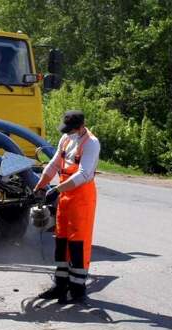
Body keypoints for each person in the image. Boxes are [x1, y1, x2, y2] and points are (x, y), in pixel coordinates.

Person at [34, 110, 100, 303]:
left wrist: (57, 189)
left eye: (71, 130)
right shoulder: (65, 139)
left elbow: (83, 174)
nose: (68, 132)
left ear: (80, 127)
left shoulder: (91, 143)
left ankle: (78, 290)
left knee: (78, 243)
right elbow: (54, 164)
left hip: (82, 198)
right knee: (61, 240)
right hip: (65, 197)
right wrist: (40, 185)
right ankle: (60, 286)